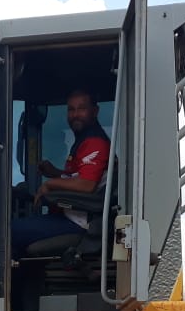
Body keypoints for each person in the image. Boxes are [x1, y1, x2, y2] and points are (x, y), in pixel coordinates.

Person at [10, 89, 111, 258]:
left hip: (79, 222)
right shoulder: (84, 140)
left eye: (81, 108)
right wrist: (55, 173)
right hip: (72, 217)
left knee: (6, 232)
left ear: (95, 111)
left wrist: (50, 184)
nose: (75, 114)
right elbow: (79, 177)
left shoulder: (95, 142)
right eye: (71, 109)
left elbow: (87, 184)